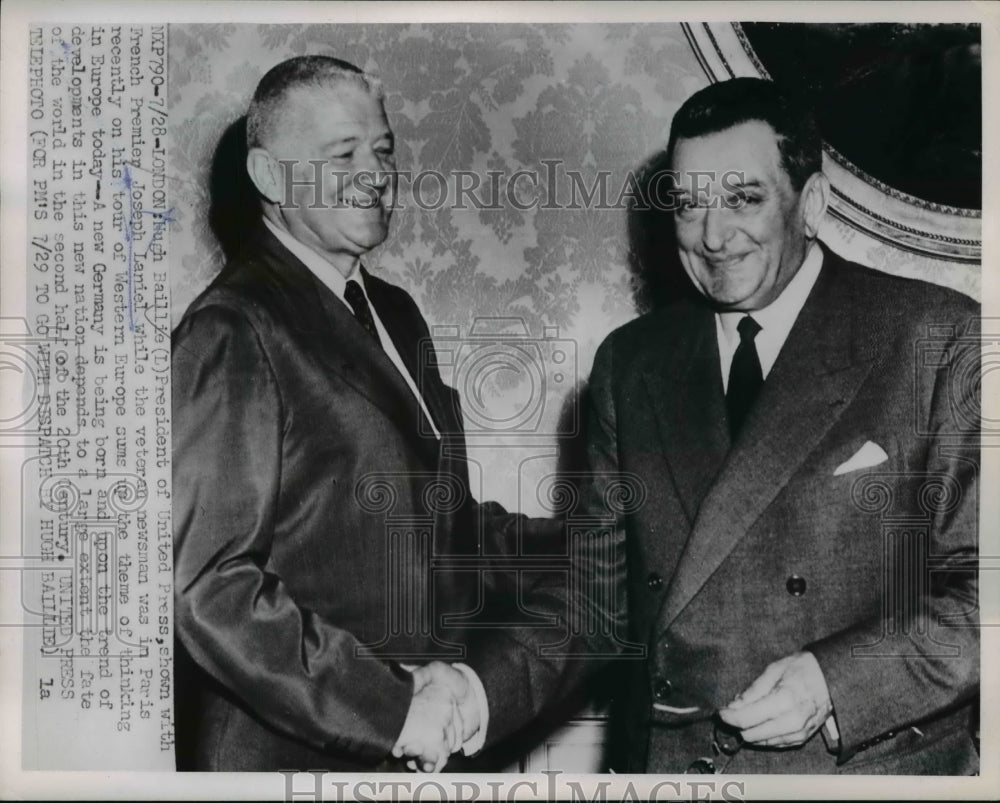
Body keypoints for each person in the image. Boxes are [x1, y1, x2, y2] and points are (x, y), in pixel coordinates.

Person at [171, 55, 591, 772]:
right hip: (288, 759)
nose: (376, 172)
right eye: (343, 154)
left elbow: (444, 526)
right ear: (270, 179)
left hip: (408, 753)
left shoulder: (394, 311)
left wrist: (591, 541)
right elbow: (210, 585)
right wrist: (393, 709)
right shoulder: (232, 327)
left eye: (384, 149)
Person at [584, 77, 980, 774]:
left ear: (813, 204)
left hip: (856, 768)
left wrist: (835, 681)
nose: (712, 235)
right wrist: (468, 691)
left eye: (743, 198)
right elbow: (589, 588)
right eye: (689, 204)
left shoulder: (937, 336)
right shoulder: (629, 363)